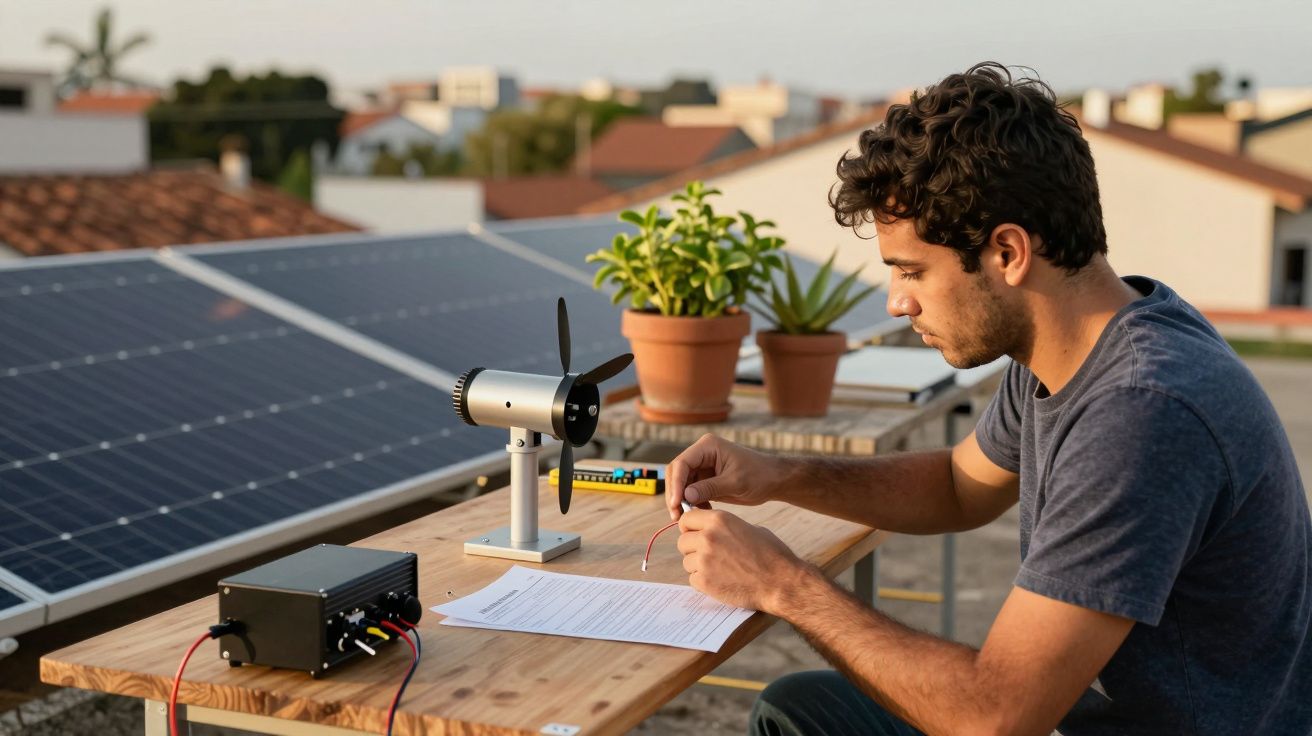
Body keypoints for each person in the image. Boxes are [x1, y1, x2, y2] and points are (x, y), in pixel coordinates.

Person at [665, 62, 1312, 735]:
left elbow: (996, 717)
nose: (897, 301)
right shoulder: (1077, 343)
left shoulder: (1141, 411)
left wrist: (782, 584)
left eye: (913, 270)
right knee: (801, 710)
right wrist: (779, 474)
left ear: (1007, 252)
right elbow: (956, 484)